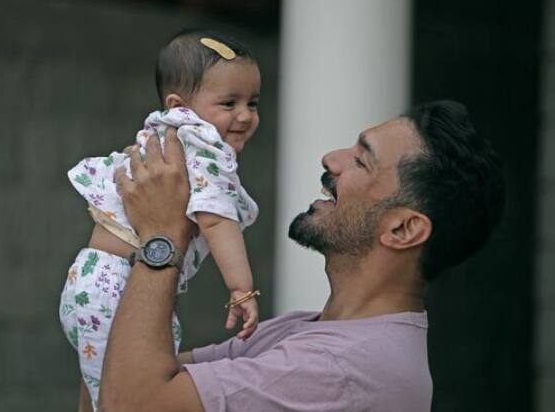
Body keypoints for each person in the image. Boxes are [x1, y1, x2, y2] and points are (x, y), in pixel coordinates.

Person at [97, 100, 505, 412]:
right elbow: (116, 378)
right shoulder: (305, 332)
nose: (332, 159)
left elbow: (131, 402)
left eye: (361, 160)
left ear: (403, 229)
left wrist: (162, 235)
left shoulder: (344, 368)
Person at [59, 29, 263, 411]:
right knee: (131, 396)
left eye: (252, 102)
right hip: (116, 286)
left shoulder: (163, 133)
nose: (245, 116)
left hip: (97, 282)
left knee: (110, 390)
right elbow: (216, 218)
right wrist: (242, 288)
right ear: (180, 105)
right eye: (229, 102)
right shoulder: (202, 144)